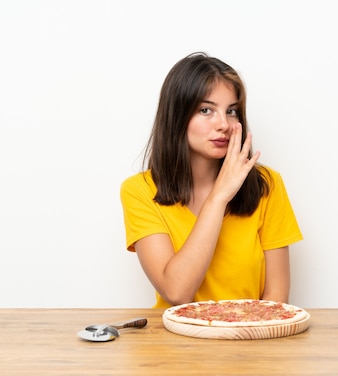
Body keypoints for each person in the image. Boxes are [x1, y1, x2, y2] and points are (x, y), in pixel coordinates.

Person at [120, 52, 303, 308]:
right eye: (206, 110)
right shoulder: (139, 190)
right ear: (177, 117)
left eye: (232, 111)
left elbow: (277, 299)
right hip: (173, 343)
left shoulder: (267, 184)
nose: (224, 125)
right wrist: (218, 198)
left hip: (249, 339)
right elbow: (176, 292)